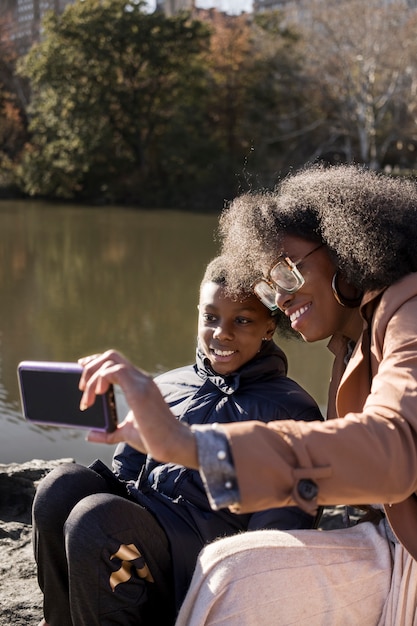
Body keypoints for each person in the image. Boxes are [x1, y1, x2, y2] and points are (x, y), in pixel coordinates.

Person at [79, 164, 417, 625]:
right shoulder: (348, 345)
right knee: (234, 569)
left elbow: (392, 452)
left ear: (344, 247)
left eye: (285, 271)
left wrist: (192, 446)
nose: (279, 299)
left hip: (406, 553)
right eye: (268, 285)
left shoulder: (409, 307)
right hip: (393, 540)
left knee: (236, 574)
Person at [33, 255, 322, 626]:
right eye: (211, 317)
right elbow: (126, 474)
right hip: (144, 534)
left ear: (270, 326)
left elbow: (277, 537)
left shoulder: (289, 408)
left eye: (243, 320)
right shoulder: (166, 384)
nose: (222, 333)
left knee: (98, 519)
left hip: (203, 559)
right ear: (198, 313)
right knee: (60, 486)